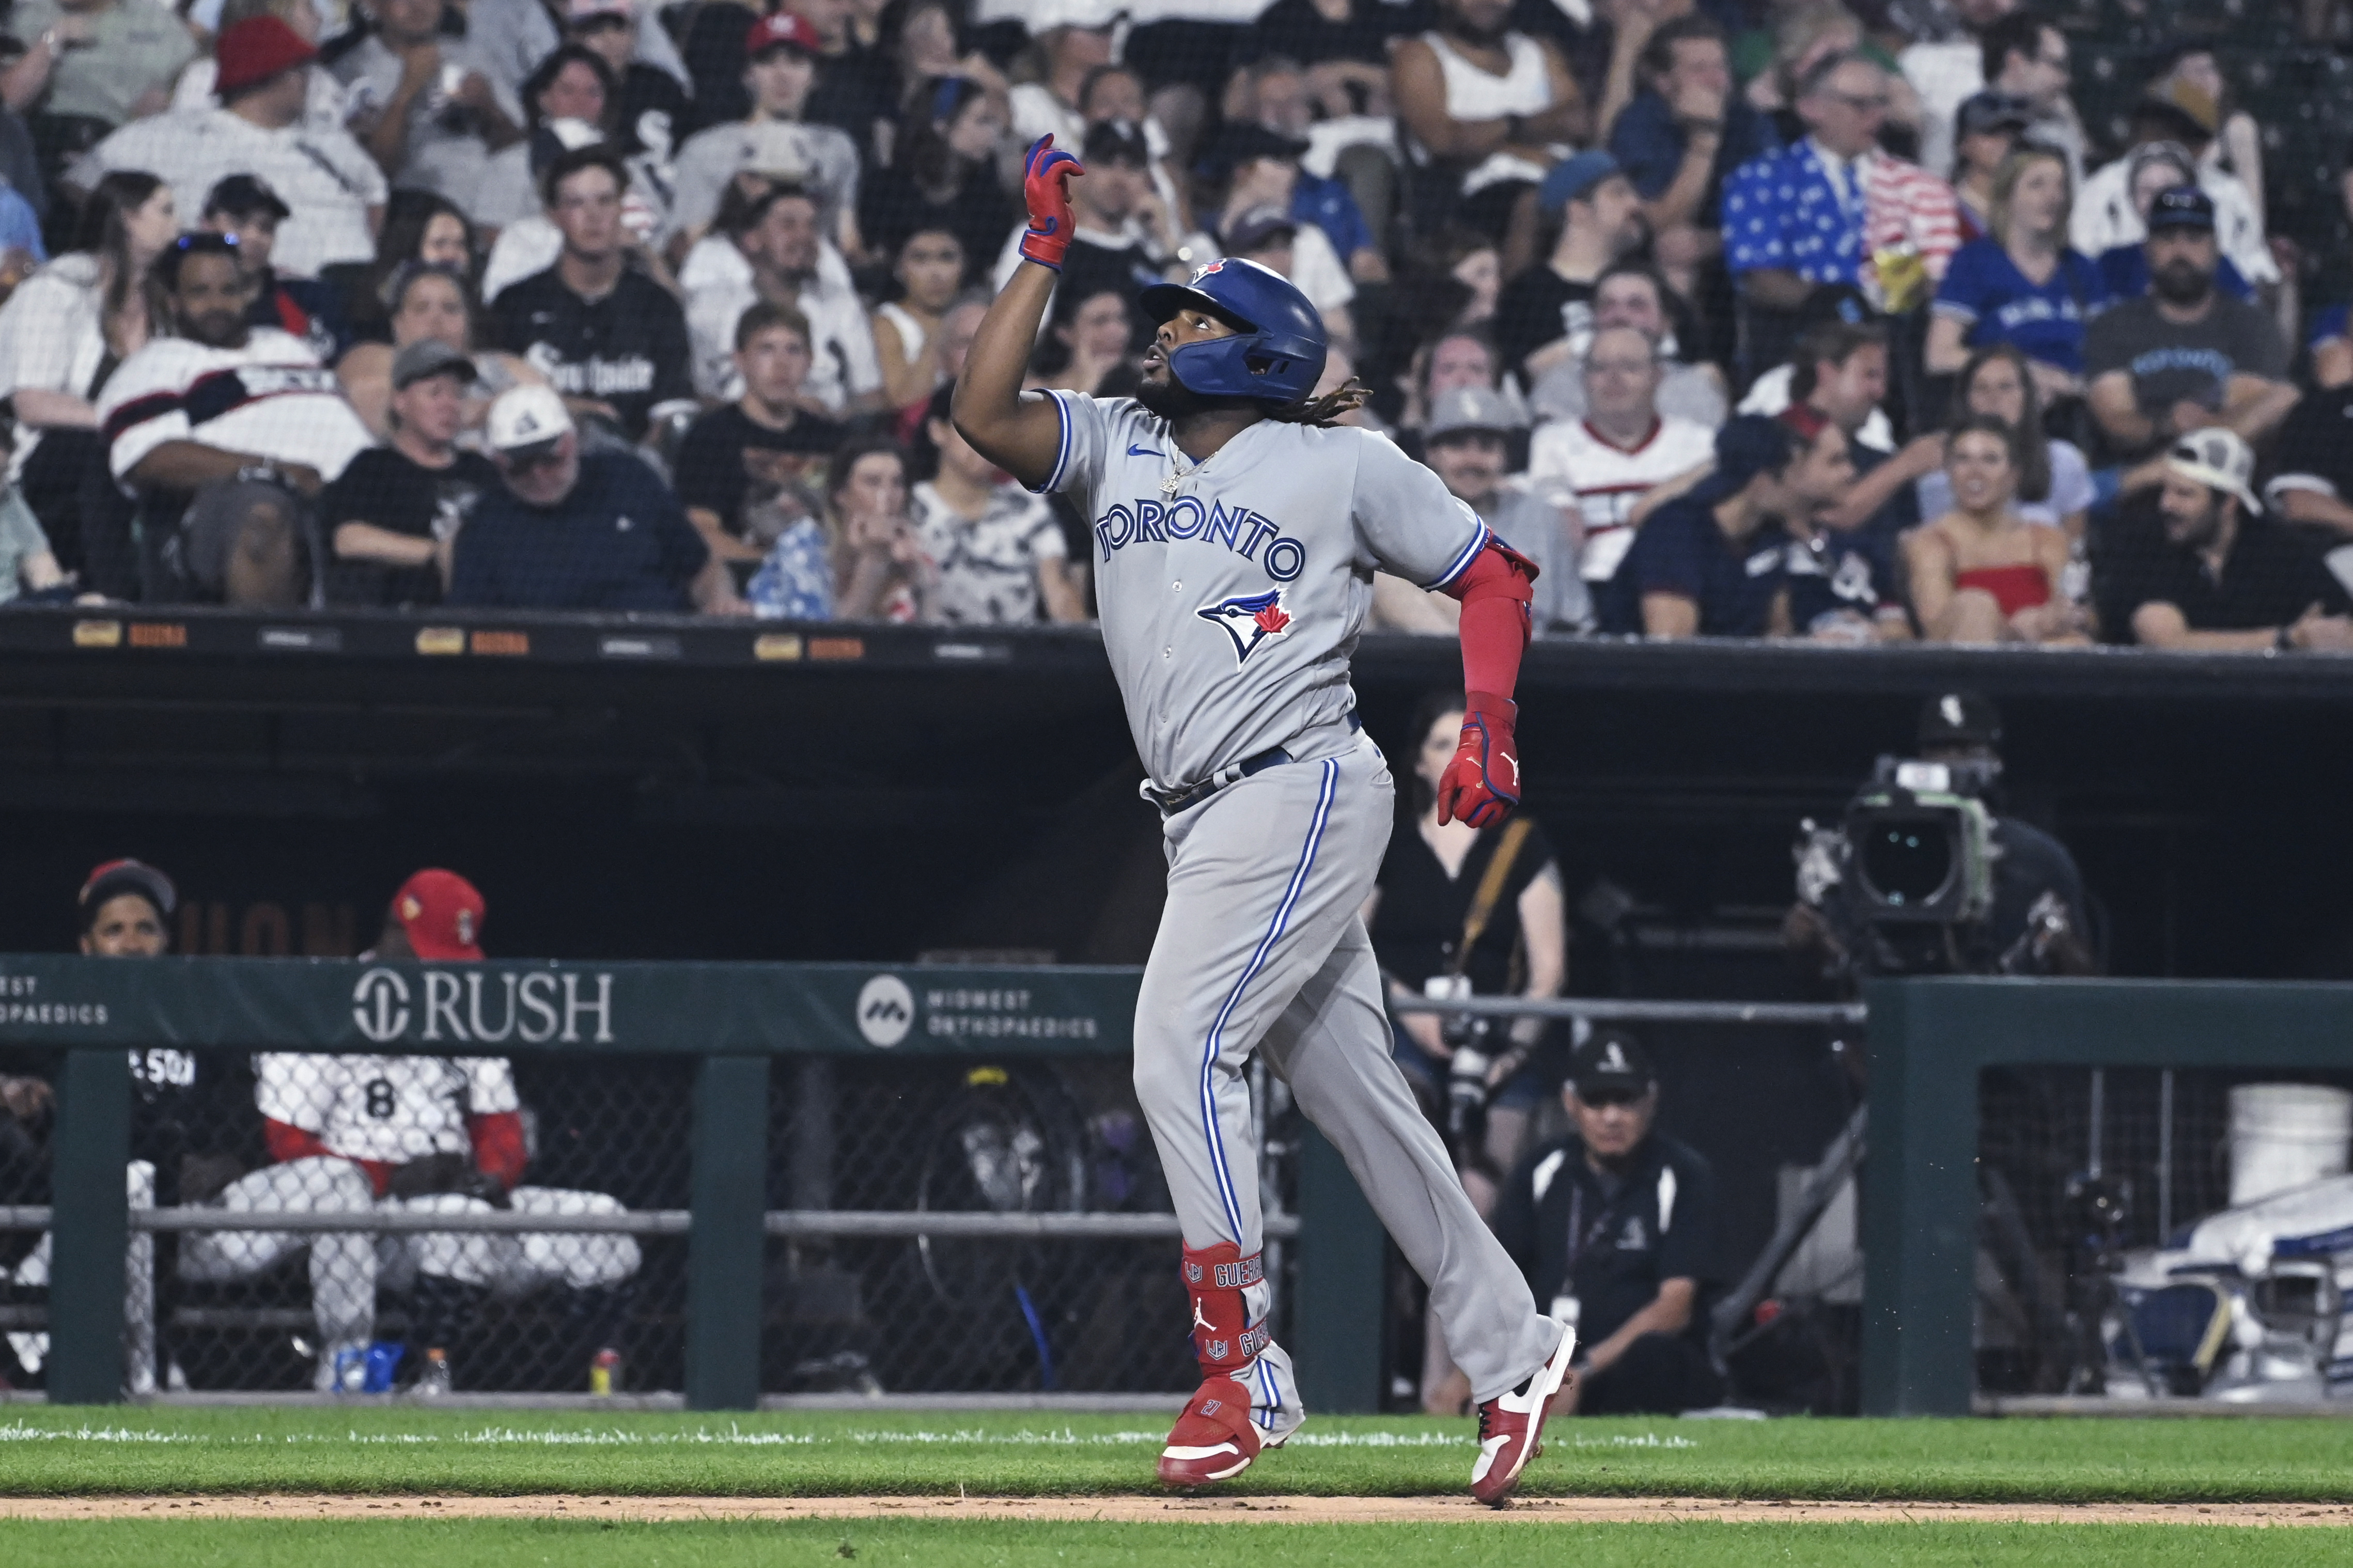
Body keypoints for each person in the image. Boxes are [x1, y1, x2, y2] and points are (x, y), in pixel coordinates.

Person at [953, 138, 1577, 1500]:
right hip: (1197, 814)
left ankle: (1241, 1362)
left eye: (1193, 318)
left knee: (1178, 1044)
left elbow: (1494, 577)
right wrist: (1041, 255)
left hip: (1295, 784)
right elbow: (978, 407)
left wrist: (1489, 719)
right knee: (1359, 1101)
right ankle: (1513, 1339)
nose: (1167, 330)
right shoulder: (1114, 441)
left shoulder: (1337, 461)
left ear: (1257, 349)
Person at [184, 869, 641, 1394]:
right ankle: (429, 1379)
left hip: (462, 1206)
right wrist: (394, 1179)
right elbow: (289, 1146)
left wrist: (492, 1175)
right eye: (430, 957)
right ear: (394, 933)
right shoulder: (324, 999)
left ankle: (605, 1391)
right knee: (451, 1218)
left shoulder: (462, 1011)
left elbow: (503, 1130)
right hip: (366, 1227)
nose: (440, 975)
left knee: (603, 1222)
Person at [1364, 687, 1566, 1414]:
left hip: (1497, 1052)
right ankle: (1414, 1383)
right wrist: (1410, 1014)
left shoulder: (1522, 842)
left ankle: (1458, 1388)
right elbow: (1349, 944)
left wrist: (1508, 1052)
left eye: (1471, 746)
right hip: (1409, 1045)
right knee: (1411, 1193)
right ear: (1417, 763)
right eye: (1443, 745)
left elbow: (1546, 971)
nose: (1458, 760)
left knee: (1476, 1204)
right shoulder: (1386, 841)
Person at [3, 859, 256, 1396]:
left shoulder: (203, 1018)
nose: (132, 943)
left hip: (202, 1211)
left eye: (145, 928)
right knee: (135, 1168)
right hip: (91, 1205)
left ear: (166, 940)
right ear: (88, 946)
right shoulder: (54, 1018)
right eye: (114, 930)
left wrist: (224, 1162)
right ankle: (142, 1363)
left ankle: (345, 1374)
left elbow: (243, 1128)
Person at [97, 232, 377, 605]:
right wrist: (276, 472)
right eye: (200, 292)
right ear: (174, 302)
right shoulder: (159, 361)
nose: (217, 304)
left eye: (229, 290)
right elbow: (151, 459)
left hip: (357, 491)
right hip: (243, 500)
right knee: (263, 515)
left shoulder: (288, 346)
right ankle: (264, 657)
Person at [1493, 1030, 1724, 1416]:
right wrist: (1466, 1376)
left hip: (1625, 1372)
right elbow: (1498, 1288)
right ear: (1570, 1103)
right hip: (1544, 1364)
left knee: (1656, 1356)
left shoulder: (1683, 1176)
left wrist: (1580, 1371)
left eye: (1625, 1100)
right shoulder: (1540, 1171)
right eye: (1596, 1100)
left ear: (1650, 1100)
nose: (1611, 1116)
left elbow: (1675, 1307)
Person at [74, 17, 387, 281]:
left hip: (340, 296)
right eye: (301, 69)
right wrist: (155, 248)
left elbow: (376, 194)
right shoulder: (174, 134)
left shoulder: (329, 140)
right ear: (269, 75)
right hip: (230, 291)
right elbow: (81, 183)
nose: (309, 81)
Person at [0, 169, 174, 561]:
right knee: (98, 452)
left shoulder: (166, 309)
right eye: (165, 211)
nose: (176, 224)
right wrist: (122, 421)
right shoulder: (54, 292)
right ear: (128, 218)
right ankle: (112, 598)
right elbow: (32, 402)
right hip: (49, 459)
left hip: (136, 447)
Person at [448, 384, 737, 613]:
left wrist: (720, 601)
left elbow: (703, 568)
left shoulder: (629, 479)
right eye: (521, 466)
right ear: (498, 462)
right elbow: (472, 629)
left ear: (572, 442)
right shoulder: (485, 526)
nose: (539, 475)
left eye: (551, 460)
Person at [1724, 52, 1960, 315]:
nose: (1875, 116)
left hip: (1896, 336)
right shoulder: (1762, 179)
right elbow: (1761, 277)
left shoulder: (1913, 186)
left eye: (1881, 103)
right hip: (1803, 337)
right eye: (1859, 104)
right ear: (1811, 107)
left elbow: (1929, 275)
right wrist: (1836, 304)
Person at [492, 146, 694, 444]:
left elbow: (671, 418)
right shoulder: (515, 305)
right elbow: (500, 406)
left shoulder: (658, 306)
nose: (593, 216)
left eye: (605, 201)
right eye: (576, 203)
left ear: (622, 208)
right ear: (554, 215)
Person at [2082, 187, 2296, 467]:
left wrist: (2198, 430)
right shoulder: (2113, 325)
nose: (2180, 251)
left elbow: (2250, 412)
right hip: (2138, 473)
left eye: (2194, 239)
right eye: (2168, 239)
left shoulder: (2249, 323)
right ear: (2147, 249)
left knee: (2286, 396)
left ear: (2216, 249)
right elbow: (2115, 420)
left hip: (2226, 473)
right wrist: (2166, 424)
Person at [2096, 429, 2353, 652]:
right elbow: (2169, 643)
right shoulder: (2142, 546)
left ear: (2229, 503)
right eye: (2165, 490)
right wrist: (2287, 640)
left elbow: (2340, 624)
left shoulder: (2279, 548)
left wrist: (2327, 635)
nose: (2166, 504)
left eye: (2184, 494)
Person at [1599, 413, 1850, 638]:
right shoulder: (1675, 532)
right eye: (1795, 473)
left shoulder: (1772, 535)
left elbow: (1778, 634)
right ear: (1762, 482)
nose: (1801, 486)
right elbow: (1671, 653)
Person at [1527, 324, 1715, 589]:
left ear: (1658, 376)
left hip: (1680, 588)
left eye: (1629, 367)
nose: (1614, 378)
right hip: (1588, 590)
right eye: (1600, 368)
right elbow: (1559, 541)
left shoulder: (1699, 444)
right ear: (1583, 379)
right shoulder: (1551, 443)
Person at [1607, 15, 1778, 300]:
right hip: (1654, 256)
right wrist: (1704, 140)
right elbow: (1660, 224)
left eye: (1720, 67)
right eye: (1700, 70)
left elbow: (1780, 212)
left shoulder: (1749, 122)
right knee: (1674, 252)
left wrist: (1716, 241)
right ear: (1663, 82)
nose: (1716, 81)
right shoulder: (1640, 121)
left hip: (1735, 250)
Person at [320, 339, 500, 606]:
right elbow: (349, 539)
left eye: (458, 394)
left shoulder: (481, 470)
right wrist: (439, 553)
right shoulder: (373, 467)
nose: (449, 405)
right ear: (400, 402)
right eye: (435, 393)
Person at [1392, 0, 1591, 238]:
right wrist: (1524, 139)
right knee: (1534, 206)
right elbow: (1445, 142)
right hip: (1480, 198)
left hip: (1570, 178)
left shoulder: (1540, 49)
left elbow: (1578, 121)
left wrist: (1494, 133)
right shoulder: (1420, 55)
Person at [668, 13, 861, 256]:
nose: (782, 74)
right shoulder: (707, 148)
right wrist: (731, 207)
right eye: (767, 61)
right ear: (747, 75)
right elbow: (679, 252)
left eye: (796, 61)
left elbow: (848, 244)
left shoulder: (835, 148)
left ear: (815, 76)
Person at [680, 180, 881, 412]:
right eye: (788, 225)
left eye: (811, 226)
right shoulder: (710, 309)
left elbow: (871, 396)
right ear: (752, 240)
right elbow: (698, 395)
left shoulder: (841, 305)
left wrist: (827, 418)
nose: (804, 236)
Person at [676, 301, 841, 574]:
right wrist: (773, 568)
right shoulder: (710, 438)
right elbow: (701, 532)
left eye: (794, 350)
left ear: (809, 362)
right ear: (740, 360)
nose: (781, 364)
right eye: (766, 350)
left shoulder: (831, 439)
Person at [1927, 147, 2103, 402]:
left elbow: (2107, 357)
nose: (2052, 197)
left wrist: (2075, 386)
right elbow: (1940, 356)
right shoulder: (1975, 262)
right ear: (2007, 196)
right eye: (2037, 185)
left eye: (2060, 187)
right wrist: (2026, 374)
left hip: (2075, 405)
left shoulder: (2081, 269)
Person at [1401, 385, 1581, 635]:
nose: (1473, 460)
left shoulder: (1542, 517)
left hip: (1537, 662)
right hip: (1432, 664)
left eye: (1486, 447)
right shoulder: (1405, 523)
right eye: (1458, 446)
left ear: (1505, 456)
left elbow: (1575, 619)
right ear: (1432, 454)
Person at [2071, 85, 2274, 296]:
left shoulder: (2228, 193)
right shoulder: (2102, 188)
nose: (2166, 138)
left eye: (2184, 133)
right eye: (2161, 125)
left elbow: (2256, 269)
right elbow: (2083, 266)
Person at [1904, 416, 2086, 644]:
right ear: (1949, 471)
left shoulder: (2049, 539)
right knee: (1975, 606)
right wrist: (2018, 629)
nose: (1975, 472)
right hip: (1960, 664)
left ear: (2013, 474)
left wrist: (2062, 618)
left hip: (2037, 663)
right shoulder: (1929, 542)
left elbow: (2083, 616)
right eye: (1963, 460)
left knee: (2073, 643)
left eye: (1990, 460)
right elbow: (1936, 627)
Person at [913, 385, 1083, 625]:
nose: (985, 441)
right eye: (973, 428)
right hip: (925, 655)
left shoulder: (1027, 508)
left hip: (1016, 656)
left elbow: (1059, 592)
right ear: (937, 431)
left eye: (997, 431)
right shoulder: (910, 508)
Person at [335, 260, 549, 442]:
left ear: (468, 323)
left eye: (451, 309)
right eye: (421, 308)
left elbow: (556, 410)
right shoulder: (373, 357)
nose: (436, 319)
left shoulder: (499, 365)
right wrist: (467, 413)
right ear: (398, 325)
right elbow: (368, 397)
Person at [334, 0, 523, 200]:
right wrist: (406, 92)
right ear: (374, 5)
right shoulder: (354, 71)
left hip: (495, 197)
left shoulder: (473, 54)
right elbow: (370, 174)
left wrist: (489, 108)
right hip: (418, 208)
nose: (419, 6)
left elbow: (519, 149)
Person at [746, 431, 933, 621]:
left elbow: (936, 640)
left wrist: (921, 579)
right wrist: (873, 562)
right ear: (841, 494)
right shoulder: (805, 542)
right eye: (873, 482)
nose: (887, 495)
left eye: (897, 484)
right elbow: (827, 642)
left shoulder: (911, 549)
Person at [1493, 151, 1644, 384]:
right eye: (1618, 193)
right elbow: (1521, 377)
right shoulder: (1528, 295)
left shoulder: (1651, 288)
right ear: (1578, 210)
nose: (1636, 204)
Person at [1915, 343, 2093, 540]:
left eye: (2006, 387)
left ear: (2028, 396)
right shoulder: (1940, 469)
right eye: (1981, 388)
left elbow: (2073, 548)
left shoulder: (2063, 460)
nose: (1994, 398)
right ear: (1965, 400)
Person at [1525, 261, 1727, 429]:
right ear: (1593, 317)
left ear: (1666, 322)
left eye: (1637, 306)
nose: (1620, 316)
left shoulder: (1694, 389)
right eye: (1608, 305)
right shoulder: (1559, 385)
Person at [1773, 405, 1911, 644]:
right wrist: (1809, 645)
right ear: (1793, 466)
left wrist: (1873, 635)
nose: (1851, 472)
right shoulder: (1764, 547)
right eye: (1835, 462)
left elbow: (1900, 627)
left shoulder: (1858, 537)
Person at [855, 74, 1011, 274]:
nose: (992, 133)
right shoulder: (886, 190)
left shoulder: (989, 198)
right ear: (941, 125)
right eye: (982, 121)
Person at [202, 174, 349, 364]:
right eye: (239, 223)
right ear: (206, 226)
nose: (254, 237)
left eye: (266, 228)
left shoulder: (310, 298)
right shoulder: (172, 299)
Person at [5, 0, 195, 141]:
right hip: (45, 133)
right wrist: (52, 38)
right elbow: (10, 99)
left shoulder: (158, 25)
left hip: (122, 141)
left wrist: (166, 104)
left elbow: (189, 84)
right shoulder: (30, 12)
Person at [564, 0, 689, 160]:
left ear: (634, 32)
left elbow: (693, 145)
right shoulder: (564, 97)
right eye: (596, 30)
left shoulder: (659, 84)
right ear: (574, 38)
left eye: (618, 28)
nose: (609, 41)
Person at [872, 226, 963, 414]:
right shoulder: (887, 322)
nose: (936, 273)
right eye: (921, 259)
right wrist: (942, 332)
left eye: (946, 258)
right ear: (899, 268)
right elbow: (901, 400)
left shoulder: (975, 315)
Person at [1947, 89, 2029, 241]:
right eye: (1990, 132)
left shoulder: (2029, 206)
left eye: (2011, 133)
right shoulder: (1944, 207)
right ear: (1963, 143)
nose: (2003, 142)